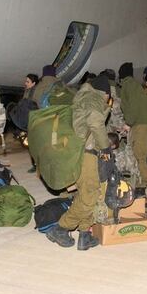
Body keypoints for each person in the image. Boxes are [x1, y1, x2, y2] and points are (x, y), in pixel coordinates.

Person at [46, 74, 111, 250]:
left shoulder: (83, 98)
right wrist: (105, 147)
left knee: (85, 194)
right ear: (105, 93)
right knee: (90, 196)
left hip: (78, 152)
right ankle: (60, 228)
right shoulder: (93, 98)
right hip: (87, 153)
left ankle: (84, 235)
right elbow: (96, 123)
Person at [118, 62, 147, 197]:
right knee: (138, 154)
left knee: (139, 155)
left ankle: (142, 185)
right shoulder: (134, 85)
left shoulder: (128, 85)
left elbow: (132, 106)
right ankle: (138, 182)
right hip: (141, 123)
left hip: (140, 124)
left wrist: (128, 123)